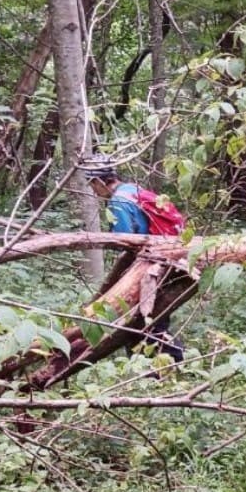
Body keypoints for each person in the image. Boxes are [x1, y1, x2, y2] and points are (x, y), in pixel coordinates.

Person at [78, 154, 187, 362]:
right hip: (169, 261)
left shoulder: (118, 203)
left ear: (100, 181)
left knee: (141, 324)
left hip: (149, 269)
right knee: (155, 321)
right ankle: (170, 367)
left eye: (93, 184)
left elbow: (125, 245)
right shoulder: (133, 190)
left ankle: (166, 366)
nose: (94, 191)